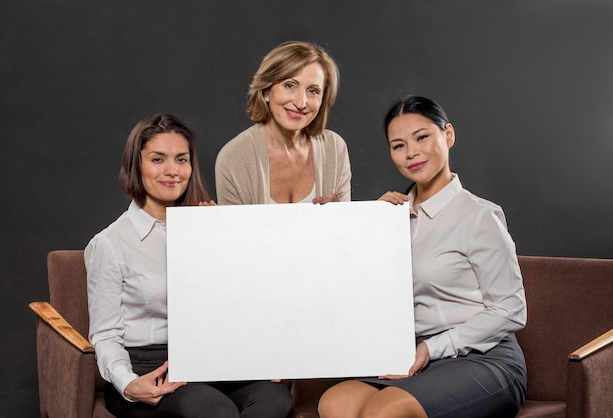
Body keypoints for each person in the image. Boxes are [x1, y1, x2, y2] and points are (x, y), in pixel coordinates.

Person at [318, 96, 527, 418]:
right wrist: (347, 226)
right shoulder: (388, 217)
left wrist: (431, 348)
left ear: (448, 135)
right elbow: (360, 292)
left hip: (480, 356)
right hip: (407, 352)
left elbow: (512, 310)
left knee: (383, 411)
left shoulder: (479, 216)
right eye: (398, 145)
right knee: (334, 403)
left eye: (422, 137)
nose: (411, 152)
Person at [84, 114, 292, 418]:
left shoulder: (205, 229)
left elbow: (237, 303)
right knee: (215, 411)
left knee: (274, 398)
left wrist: (220, 241)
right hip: (150, 368)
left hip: (209, 361)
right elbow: (105, 335)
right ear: (136, 165)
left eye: (181, 159)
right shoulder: (111, 243)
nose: (172, 171)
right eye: (158, 159)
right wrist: (128, 384)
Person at [215, 40, 351, 205]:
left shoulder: (334, 149)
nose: (301, 103)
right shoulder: (234, 158)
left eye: (313, 91)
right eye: (290, 85)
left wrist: (367, 213)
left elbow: (345, 229)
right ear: (266, 90)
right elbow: (234, 231)